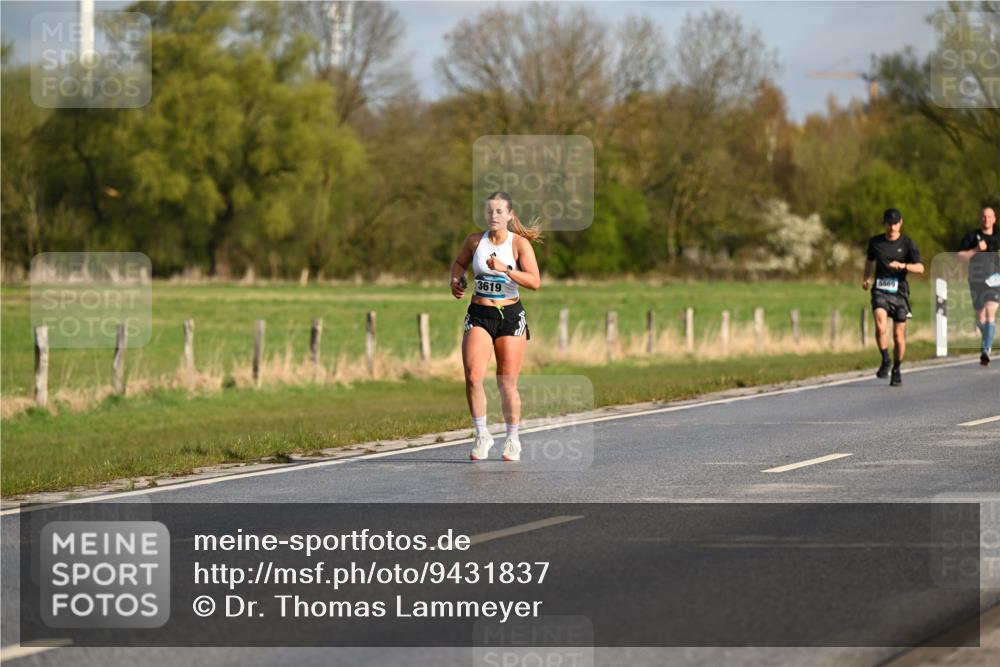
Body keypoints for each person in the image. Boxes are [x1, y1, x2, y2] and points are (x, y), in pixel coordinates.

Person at [450, 192, 542, 462]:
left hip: (510, 316)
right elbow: (459, 264)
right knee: (473, 376)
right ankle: (482, 435)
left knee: (506, 382)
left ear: (510, 215)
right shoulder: (474, 241)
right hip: (479, 314)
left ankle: (512, 438)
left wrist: (506, 269)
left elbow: (535, 282)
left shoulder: (519, 244)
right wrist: (455, 281)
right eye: (490, 211)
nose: (494, 216)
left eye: (499, 211)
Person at [863, 208, 925, 386]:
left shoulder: (907, 243)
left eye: (895, 223)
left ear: (901, 223)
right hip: (880, 290)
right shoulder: (875, 242)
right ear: (884, 223)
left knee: (898, 336)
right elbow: (869, 261)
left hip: (900, 292)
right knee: (880, 325)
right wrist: (866, 278)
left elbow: (920, 268)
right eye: (889, 223)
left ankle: (897, 368)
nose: (892, 227)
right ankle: (885, 359)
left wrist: (903, 266)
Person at [957, 205, 999, 366]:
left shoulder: (998, 237)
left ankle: (986, 350)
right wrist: (976, 249)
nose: (986, 219)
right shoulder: (972, 236)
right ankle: (987, 337)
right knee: (980, 318)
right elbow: (959, 256)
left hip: (995, 280)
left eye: (989, 216)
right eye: (983, 216)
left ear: (994, 219)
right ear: (980, 218)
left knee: (990, 311)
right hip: (976, 280)